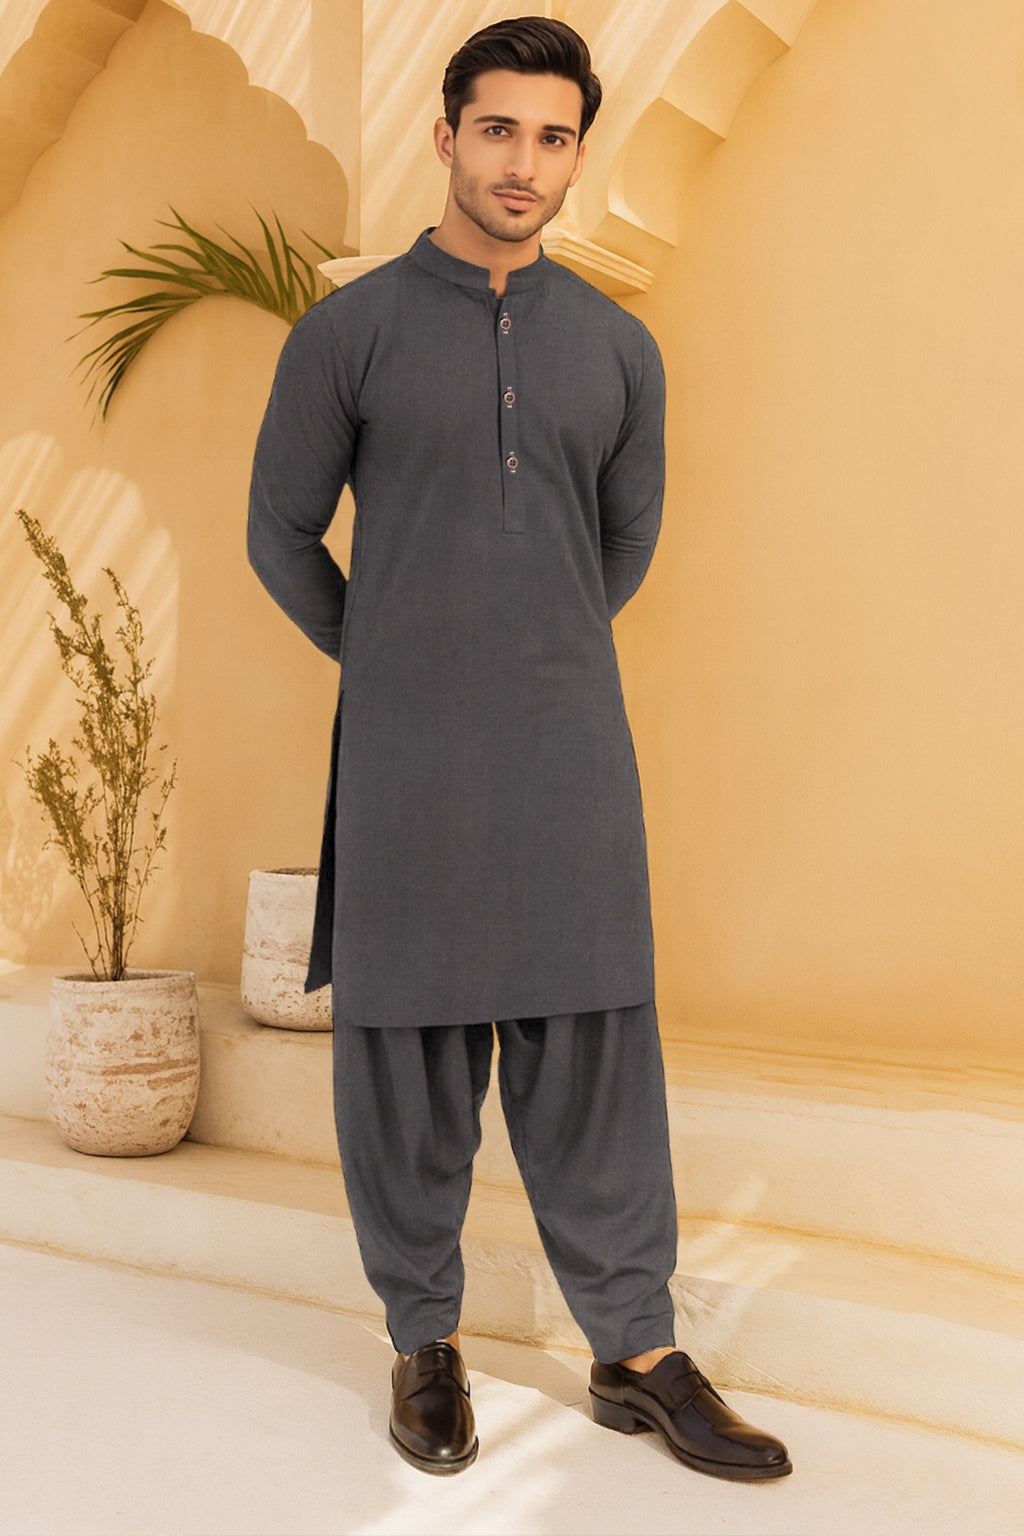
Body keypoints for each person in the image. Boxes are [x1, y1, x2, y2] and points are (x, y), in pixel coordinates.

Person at [248, 15, 791, 1483]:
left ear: (575, 157)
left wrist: (529, 652)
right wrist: (390, 654)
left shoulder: (619, 349)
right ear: (446, 136)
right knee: (406, 1053)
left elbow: (622, 543)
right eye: (498, 129)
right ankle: (424, 1342)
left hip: (569, 750)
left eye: (554, 137)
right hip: (408, 757)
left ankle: (637, 1353)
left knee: (595, 1036)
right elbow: (279, 531)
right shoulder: (348, 334)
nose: (524, 163)